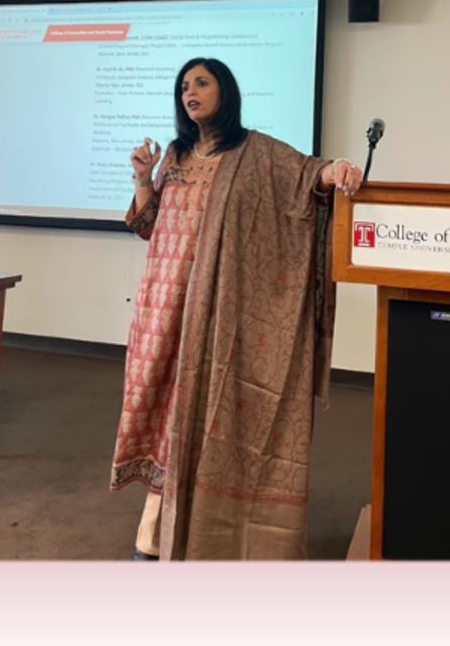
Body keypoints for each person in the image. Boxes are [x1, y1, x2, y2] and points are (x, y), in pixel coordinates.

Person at [110, 57, 362, 561]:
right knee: (168, 417)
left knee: (208, 415)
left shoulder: (257, 151)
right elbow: (148, 225)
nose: (190, 92)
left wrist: (334, 171)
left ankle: (188, 535)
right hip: (167, 308)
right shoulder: (175, 155)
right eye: (184, 85)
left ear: (225, 91)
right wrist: (142, 177)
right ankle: (157, 533)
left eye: (201, 82)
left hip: (223, 309)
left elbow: (307, 176)